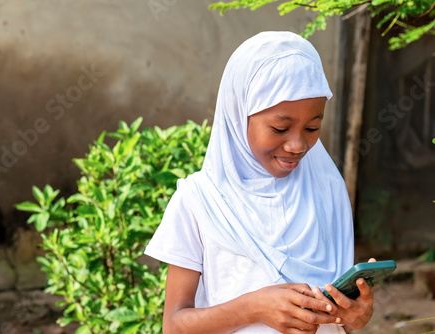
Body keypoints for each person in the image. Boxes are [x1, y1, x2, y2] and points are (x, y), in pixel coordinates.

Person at [144, 31, 374, 334]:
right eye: (280, 128)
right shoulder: (200, 200)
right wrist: (251, 308)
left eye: (312, 127)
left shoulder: (327, 190)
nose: (298, 145)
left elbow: (337, 315)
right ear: (239, 115)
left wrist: (354, 316)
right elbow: (174, 325)